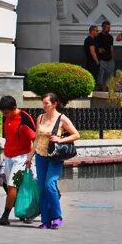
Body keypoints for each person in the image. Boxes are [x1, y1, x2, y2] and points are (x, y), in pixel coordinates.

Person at [33, 92, 80, 230]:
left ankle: (57, 216)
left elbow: (76, 134)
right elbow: (36, 138)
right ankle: (45, 220)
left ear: (55, 104)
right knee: (42, 188)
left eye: (47, 103)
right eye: (43, 103)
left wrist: (60, 139)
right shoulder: (40, 117)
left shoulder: (62, 119)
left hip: (54, 156)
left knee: (50, 185)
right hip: (40, 156)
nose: (44, 106)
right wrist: (30, 157)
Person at [0, 95, 37, 226]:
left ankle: (5, 215)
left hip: (21, 158)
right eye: (3, 113)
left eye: (7, 112)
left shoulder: (24, 119)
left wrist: (30, 157)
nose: (5, 115)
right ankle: (25, 211)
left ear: (14, 108)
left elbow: (35, 139)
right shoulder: (6, 117)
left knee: (12, 185)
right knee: (9, 186)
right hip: (8, 157)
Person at [96, 20, 115, 87]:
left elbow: (111, 48)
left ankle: (108, 89)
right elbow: (96, 47)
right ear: (103, 27)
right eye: (107, 27)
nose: (109, 29)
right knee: (101, 76)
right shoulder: (98, 36)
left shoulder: (110, 37)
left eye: (109, 27)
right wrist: (99, 49)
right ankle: (100, 89)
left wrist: (112, 58)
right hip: (102, 59)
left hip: (109, 59)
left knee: (110, 76)